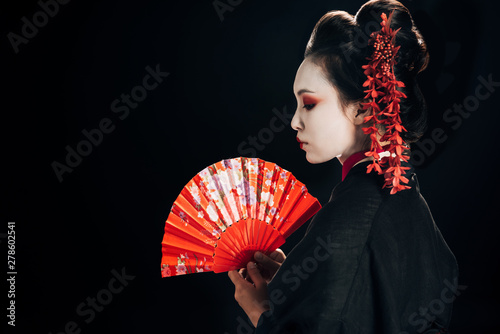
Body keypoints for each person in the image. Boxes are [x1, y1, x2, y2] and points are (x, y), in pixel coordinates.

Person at [228, 0, 459, 333]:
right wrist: (300, 281)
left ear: (363, 110)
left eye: (308, 104)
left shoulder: (348, 217)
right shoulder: (409, 201)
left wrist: (261, 312)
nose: (294, 122)